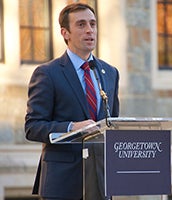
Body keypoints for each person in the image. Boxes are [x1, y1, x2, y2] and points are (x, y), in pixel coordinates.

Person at [24, 2, 119, 200]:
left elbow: (113, 123)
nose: (89, 30)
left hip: (101, 181)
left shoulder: (110, 73)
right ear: (65, 33)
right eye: (81, 25)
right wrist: (71, 127)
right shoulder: (48, 74)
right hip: (62, 184)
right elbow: (33, 127)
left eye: (93, 24)